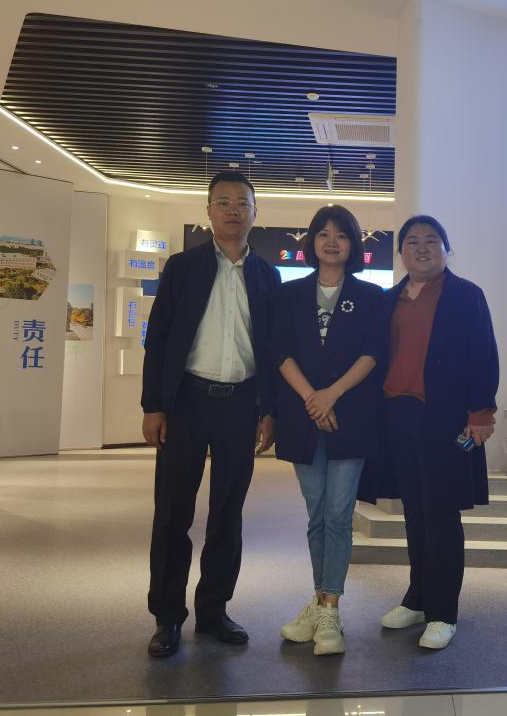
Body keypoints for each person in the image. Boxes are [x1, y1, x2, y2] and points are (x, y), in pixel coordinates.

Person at [141, 170, 280, 658]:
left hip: (241, 404)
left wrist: (269, 410)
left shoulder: (267, 276)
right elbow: (158, 339)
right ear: (208, 212)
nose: (233, 210)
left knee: (227, 513)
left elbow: (271, 350)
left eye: (242, 202)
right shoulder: (182, 268)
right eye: (223, 202)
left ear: (255, 212)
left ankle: (214, 611)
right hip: (186, 402)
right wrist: (153, 405)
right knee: (172, 513)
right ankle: (167, 617)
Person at [378, 215, 499, 650]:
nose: (422, 248)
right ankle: (418, 597)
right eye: (412, 241)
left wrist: (481, 412)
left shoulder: (466, 295)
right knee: (414, 511)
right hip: (398, 417)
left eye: (432, 240)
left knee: (442, 513)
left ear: (447, 250)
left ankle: (443, 611)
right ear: (401, 253)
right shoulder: (388, 299)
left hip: (446, 419)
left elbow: (483, 354)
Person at [273, 205, 386, 655]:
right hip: (303, 416)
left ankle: (331, 610)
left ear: (353, 244)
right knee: (316, 512)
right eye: (323, 233)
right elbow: (280, 353)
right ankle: (320, 601)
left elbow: (373, 353)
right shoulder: (289, 294)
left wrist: (331, 395)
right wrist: (312, 399)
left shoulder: (370, 296)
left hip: (350, 415)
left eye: (341, 234)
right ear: (312, 242)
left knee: (338, 514)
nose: (332, 241)